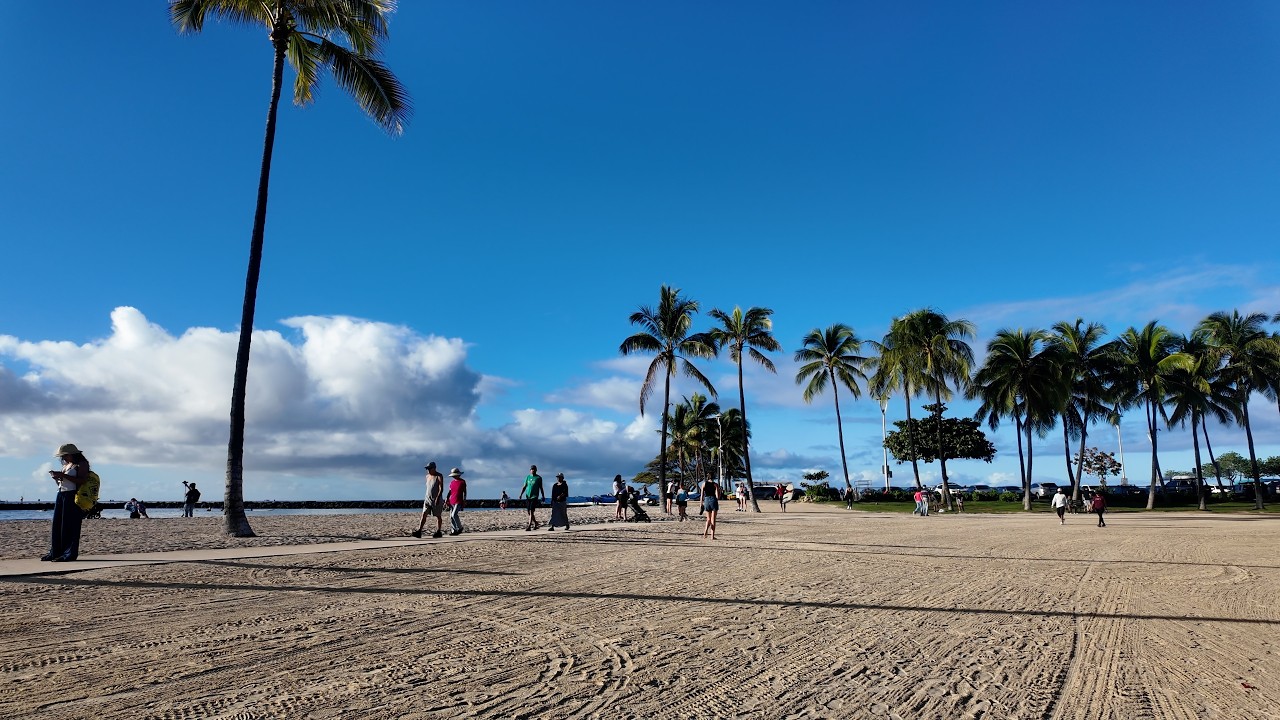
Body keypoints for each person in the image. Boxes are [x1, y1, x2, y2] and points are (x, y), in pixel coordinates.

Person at [45, 443, 90, 562]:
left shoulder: (81, 464)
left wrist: (63, 475)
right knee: (58, 524)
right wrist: (58, 478)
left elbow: (82, 480)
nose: (63, 458)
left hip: (73, 495)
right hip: (61, 493)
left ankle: (69, 553)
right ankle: (56, 552)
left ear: (72, 454)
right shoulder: (66, 465)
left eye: (65, 455)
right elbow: (63, 482)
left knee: (70, 525)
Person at [412, 462, 445, 539]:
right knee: (424, 514)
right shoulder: (427, 476)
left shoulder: (439, 476)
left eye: (429, 469)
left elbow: (441, 488)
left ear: (434, 468)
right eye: (427, 469)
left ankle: (438, 531)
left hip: (436, 499)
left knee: (438, 515)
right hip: (427, 498)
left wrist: (437, 498)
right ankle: (419, 531)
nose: (428, 470)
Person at [520, 465, 545, 531]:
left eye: (534, 469)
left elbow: (541, 488)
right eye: (532, 469)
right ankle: (536, 523)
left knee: (531, 511)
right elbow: (524, 486)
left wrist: (543, 496)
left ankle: (529, 526)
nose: (533, 470)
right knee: (529, 512)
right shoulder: (528, 477)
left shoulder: (538, 478)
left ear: (536, 470)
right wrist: (521, 494)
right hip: (528, 496)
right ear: (530, 470)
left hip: (534, 496)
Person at [447, 467, 468, 535]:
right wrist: (447, 499)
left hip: (458, 500)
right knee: (451, 516)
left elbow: (465, 492)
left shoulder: (462, 482)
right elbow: (450, 491)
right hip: (452, 500)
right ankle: (454, 530)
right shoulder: (452, 482)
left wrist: (464, 500)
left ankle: (460, 527)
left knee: (454, 514)